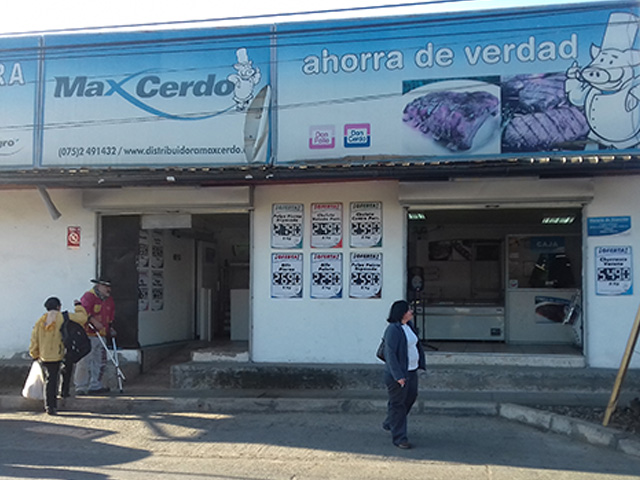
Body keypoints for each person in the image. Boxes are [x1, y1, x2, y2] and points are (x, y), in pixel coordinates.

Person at [29, 297, 88, 415]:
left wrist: (34, 354)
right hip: (62, 352)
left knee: (50, 380)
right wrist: (78, 306)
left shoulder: (40, 321)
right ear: (58, 307)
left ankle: (50, 406)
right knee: (66, 370)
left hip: (45, 355)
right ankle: (64, 392)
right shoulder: (64, 316)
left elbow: (34, 339)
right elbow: (82, 318)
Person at [381, 300, 426, 449]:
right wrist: (398, 376)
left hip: (412, 370)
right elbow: (390, 354)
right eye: (408, 310)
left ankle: (391, 421)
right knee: (398, 404)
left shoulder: (409, 326)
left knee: (411, 397)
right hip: (398, 373)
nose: (411, 312)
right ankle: (400, 438)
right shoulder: (393, 330)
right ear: (401, 313)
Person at [74, 278, 116, 395]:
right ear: (98, 286)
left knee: (99, 361)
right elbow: (84, 312)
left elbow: (110, 316)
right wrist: (94, 321)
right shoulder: (89, 297)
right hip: (88, 334)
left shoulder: (109, 300)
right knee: (84, 361)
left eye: (109, 287)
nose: (108, 289)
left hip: (101, 335)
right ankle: (80, 386)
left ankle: (95, 385)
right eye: (106, 286)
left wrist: (110, 328)